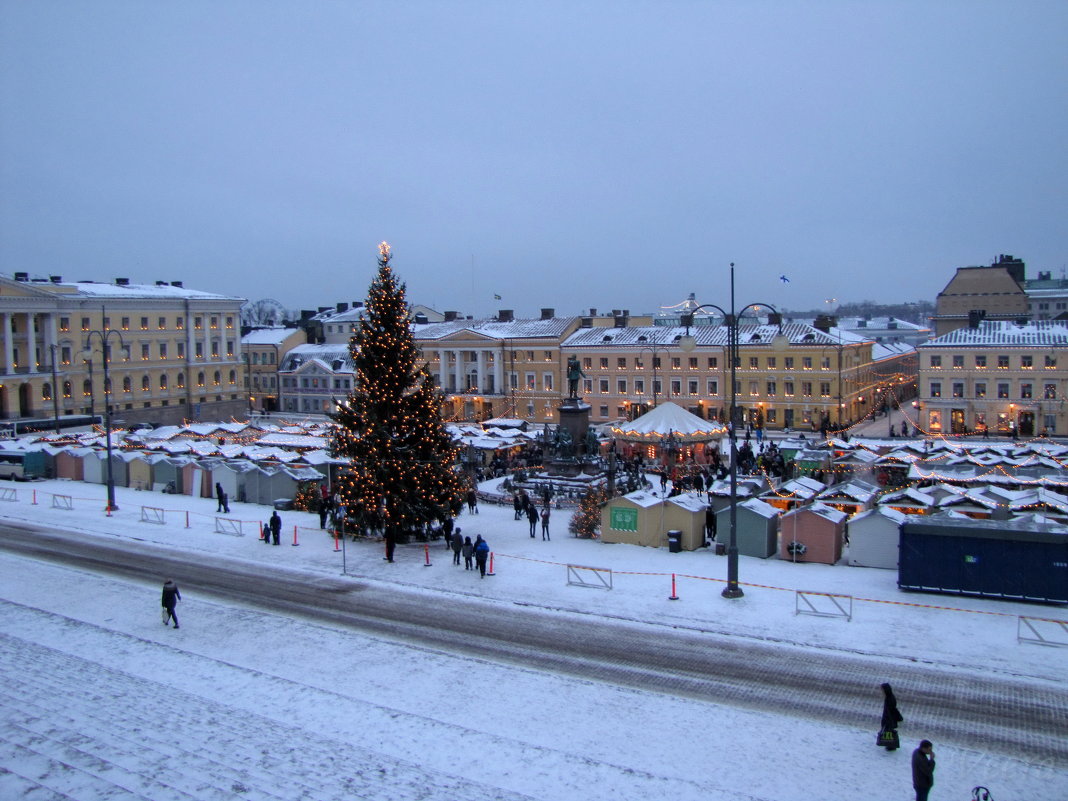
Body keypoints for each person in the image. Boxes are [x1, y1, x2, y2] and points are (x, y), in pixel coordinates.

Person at [879, 682, 903, 751]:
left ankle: (890, 746)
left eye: (882, 690)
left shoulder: (889, 699)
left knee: (888, 732)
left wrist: (887, 721)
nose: (881, 691)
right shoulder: (889, 697)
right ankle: (890, 745)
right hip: (889, 720)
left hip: (889, 720)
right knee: (889, 732)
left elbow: (890, 711)